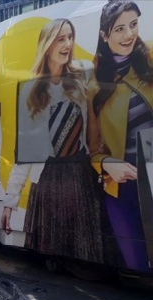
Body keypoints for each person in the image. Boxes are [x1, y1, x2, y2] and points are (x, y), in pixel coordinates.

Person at [1, 18, 105, 263]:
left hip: (81, 177)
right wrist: (9, 203)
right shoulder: (31, 90)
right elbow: (26, 153)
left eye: (70, 37)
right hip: (47, 180)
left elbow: (93, 133)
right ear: (47, 45)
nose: (68, 43)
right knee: (51, 255)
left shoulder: (82, 74)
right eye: (61, 38)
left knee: (87, 252)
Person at [88, 0, 153, 271]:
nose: (129, 34)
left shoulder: (149, 57)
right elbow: (93, 148)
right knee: (138, 264)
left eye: (134, 25)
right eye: (119, 29)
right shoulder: (93, 82)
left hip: (151, 176)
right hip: (121, 188)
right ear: (104, 35)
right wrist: (107, 164)